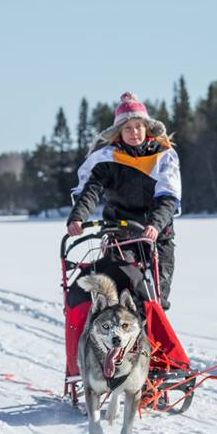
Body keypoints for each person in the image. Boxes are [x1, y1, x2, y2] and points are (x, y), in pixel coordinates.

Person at [67, 92, 181, 308]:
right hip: (122, 232)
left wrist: (155, 225)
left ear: (147, 127)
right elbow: (92, 190)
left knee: (158, 295)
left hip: (157, 233)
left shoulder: (164, 156)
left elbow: (168, 197)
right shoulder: (108, 159)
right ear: (119, 132)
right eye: (127, 128)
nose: (134, 132)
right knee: (124, 282)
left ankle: (154, 331)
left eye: (138, 126)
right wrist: (78, 217)